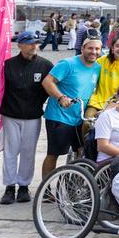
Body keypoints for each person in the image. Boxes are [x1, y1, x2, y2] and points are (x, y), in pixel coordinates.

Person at [0, 31, 53, 205]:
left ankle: (23, 186)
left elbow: (50, 88)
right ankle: (9, 186)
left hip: (33, 114)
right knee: (10, 151)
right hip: (10, 113)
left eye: (35, 43)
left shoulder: (45, 65)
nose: (33, 46)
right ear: (20, 45)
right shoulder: (8, 64)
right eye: (29, 43)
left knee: (28, 151)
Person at [41, 36, 103, 180]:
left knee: (81, 151)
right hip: (60, 115)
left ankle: (73, 184)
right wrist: (61, 97)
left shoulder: (98, 67)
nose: (93, 52)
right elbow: (47, 81)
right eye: (90, 48)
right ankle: (46, 188)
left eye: (97, 49)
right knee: (54, 153)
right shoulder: (68, 64)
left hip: (80, 117)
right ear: (82, 48)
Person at [87, 37, 119, 115]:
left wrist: (107, 109)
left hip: (117, 104)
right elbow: (89, 71)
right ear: (112, 48)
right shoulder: (103, 60)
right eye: (118, 46)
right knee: (87, 122)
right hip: (97, 101)